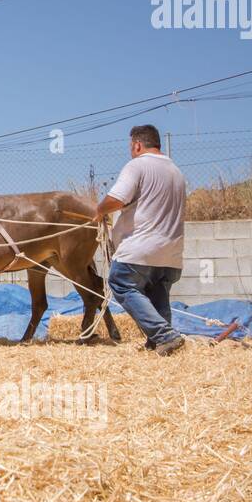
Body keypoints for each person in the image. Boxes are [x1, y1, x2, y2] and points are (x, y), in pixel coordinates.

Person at [94, 125, 187, 356]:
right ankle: (159, 343)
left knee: (121, 282)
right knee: (158, 295)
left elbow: (117, 198)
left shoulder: (137, 166)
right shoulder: (176, 171)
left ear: (137, 144)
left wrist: (99, 210)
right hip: (172, 253)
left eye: (131, 147)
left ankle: (165, 335)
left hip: (141, 248)